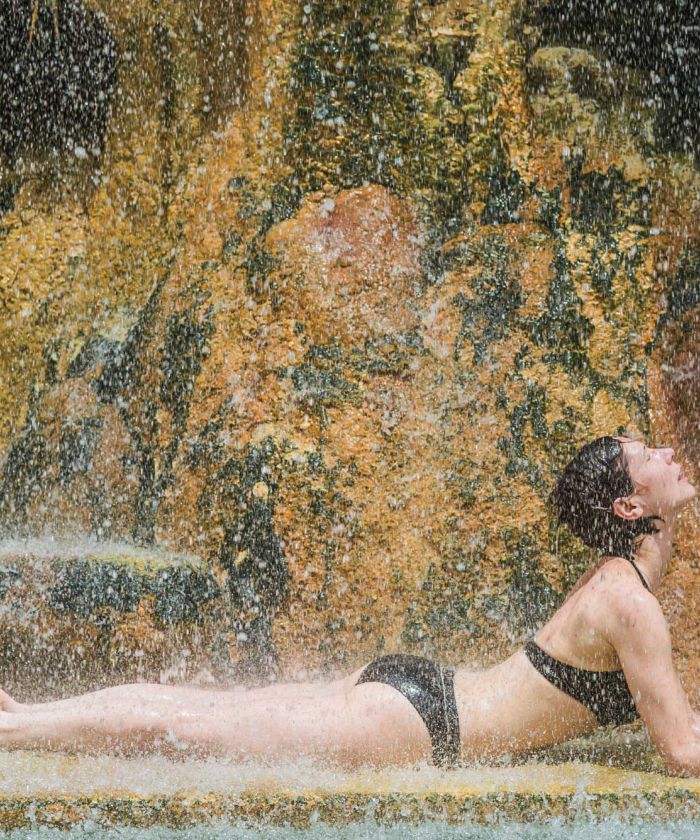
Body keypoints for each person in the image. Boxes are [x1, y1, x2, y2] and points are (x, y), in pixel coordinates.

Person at [0, 434, 697, 774]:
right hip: (419, 726)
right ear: (629, 505)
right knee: (193, 728)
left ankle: (25, 715)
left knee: (206, 711)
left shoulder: (615, 583)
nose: (669, 452)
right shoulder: (625, 599)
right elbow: (682, 750)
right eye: (649, 453)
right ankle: (18, 731)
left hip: (421, 699)